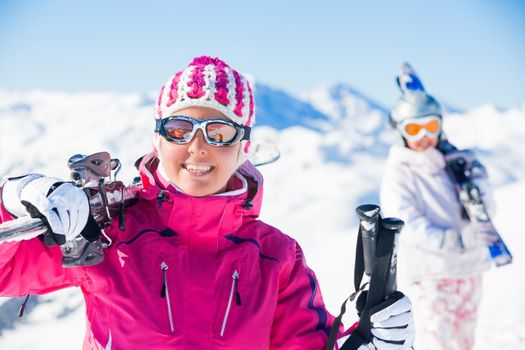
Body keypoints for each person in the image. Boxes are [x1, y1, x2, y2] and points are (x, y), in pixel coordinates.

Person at [0, 56, 414, 350]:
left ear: (243, 148)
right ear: (157, 139)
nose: (197, 148)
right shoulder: (108, 230)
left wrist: (367, 345)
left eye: (218, 132)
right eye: (180, 129)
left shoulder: (277, 258)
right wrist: (13, 198)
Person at [380, 63, 494, 350]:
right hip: (433, 274)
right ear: (400, 132)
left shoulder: (459, 162)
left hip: (469, 267)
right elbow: (403, 219)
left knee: (465, 340)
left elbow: (487, 205)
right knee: (436, 340)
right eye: (413, 129)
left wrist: (472, 181)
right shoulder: (400, 172)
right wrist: (449, 240)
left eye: (430, 126)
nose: (423, 137)